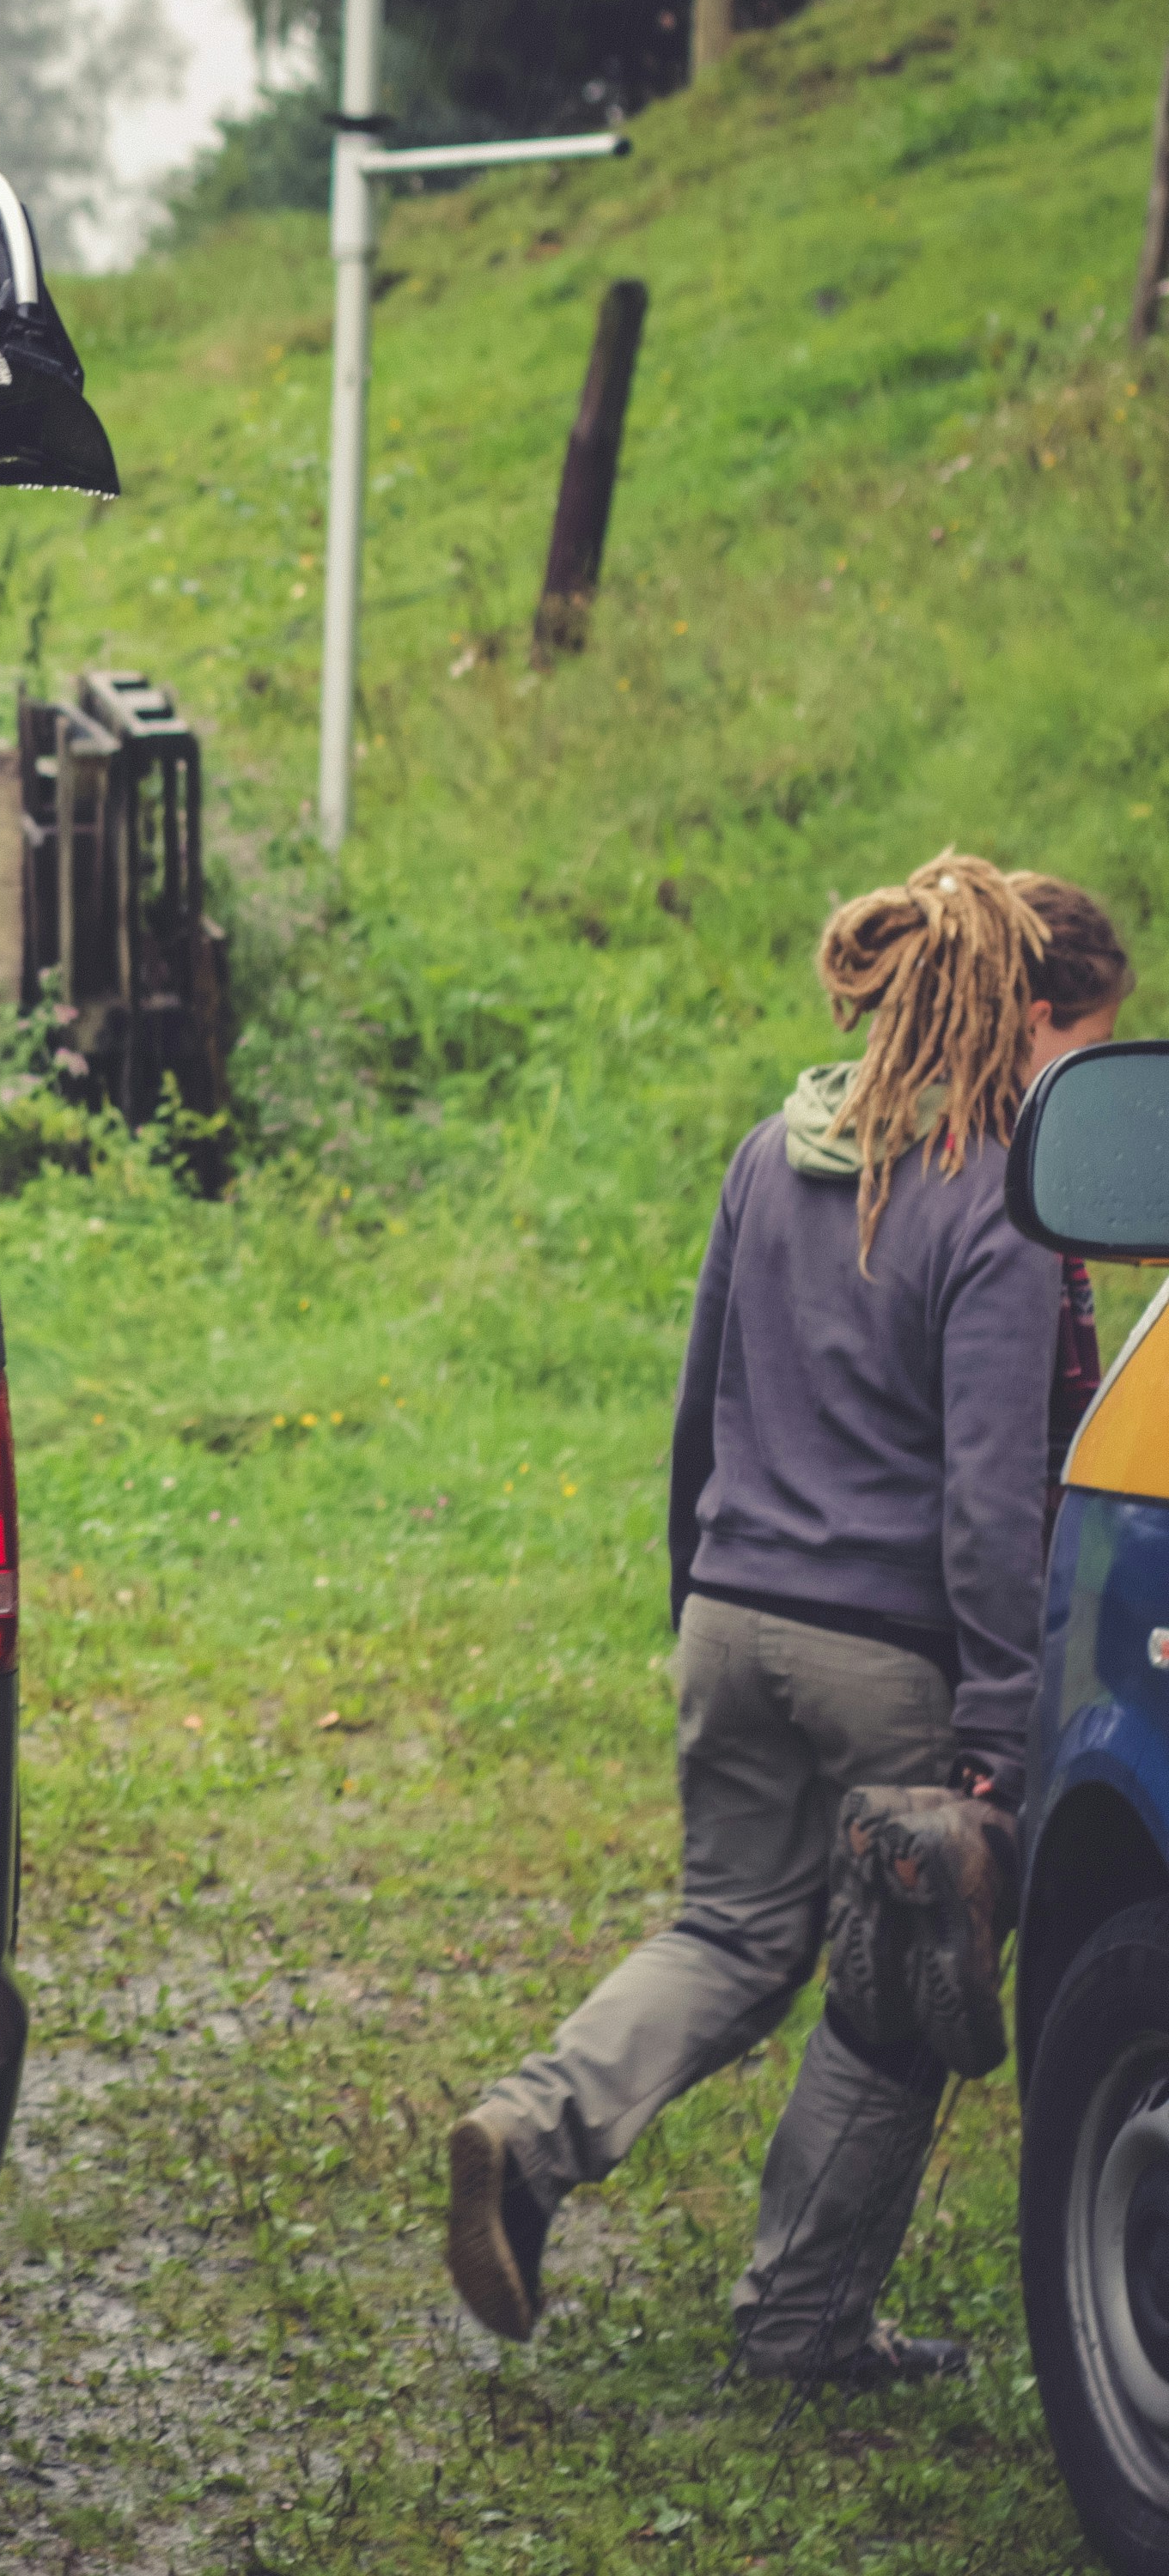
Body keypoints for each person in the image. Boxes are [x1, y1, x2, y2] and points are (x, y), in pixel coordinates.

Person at [447, 853, 1135, 2379]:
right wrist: (1000, 1731)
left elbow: (702, 1402)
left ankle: (531, 2127)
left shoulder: (775, 1148)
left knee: (731, 1928)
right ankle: (804, 2315)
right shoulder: (997, 1206)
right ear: (1004, 1006)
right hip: (887, 1655)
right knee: (897, 1994)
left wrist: (699, 1587)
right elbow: (985, 1492)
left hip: (733, 1613)